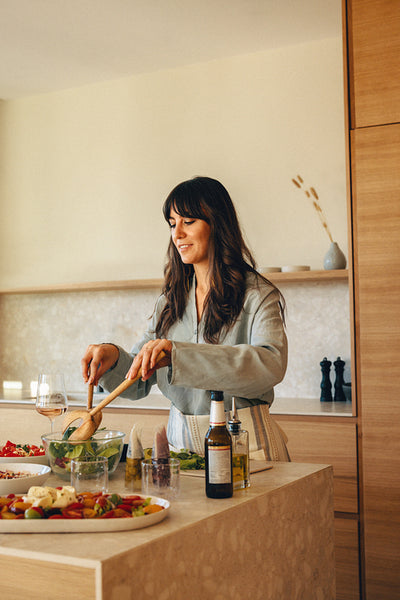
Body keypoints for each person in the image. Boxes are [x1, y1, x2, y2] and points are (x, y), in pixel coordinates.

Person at [81, 176, 289, 460]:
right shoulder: (169, 301)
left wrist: (178, 355)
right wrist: (113, 358)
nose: (177, 233)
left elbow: (270, 366)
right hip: (180, 451)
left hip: (246, 449)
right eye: (171, 223)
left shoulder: (258, 295)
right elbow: (140, 378)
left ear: (217, 224)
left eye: (188, 222)